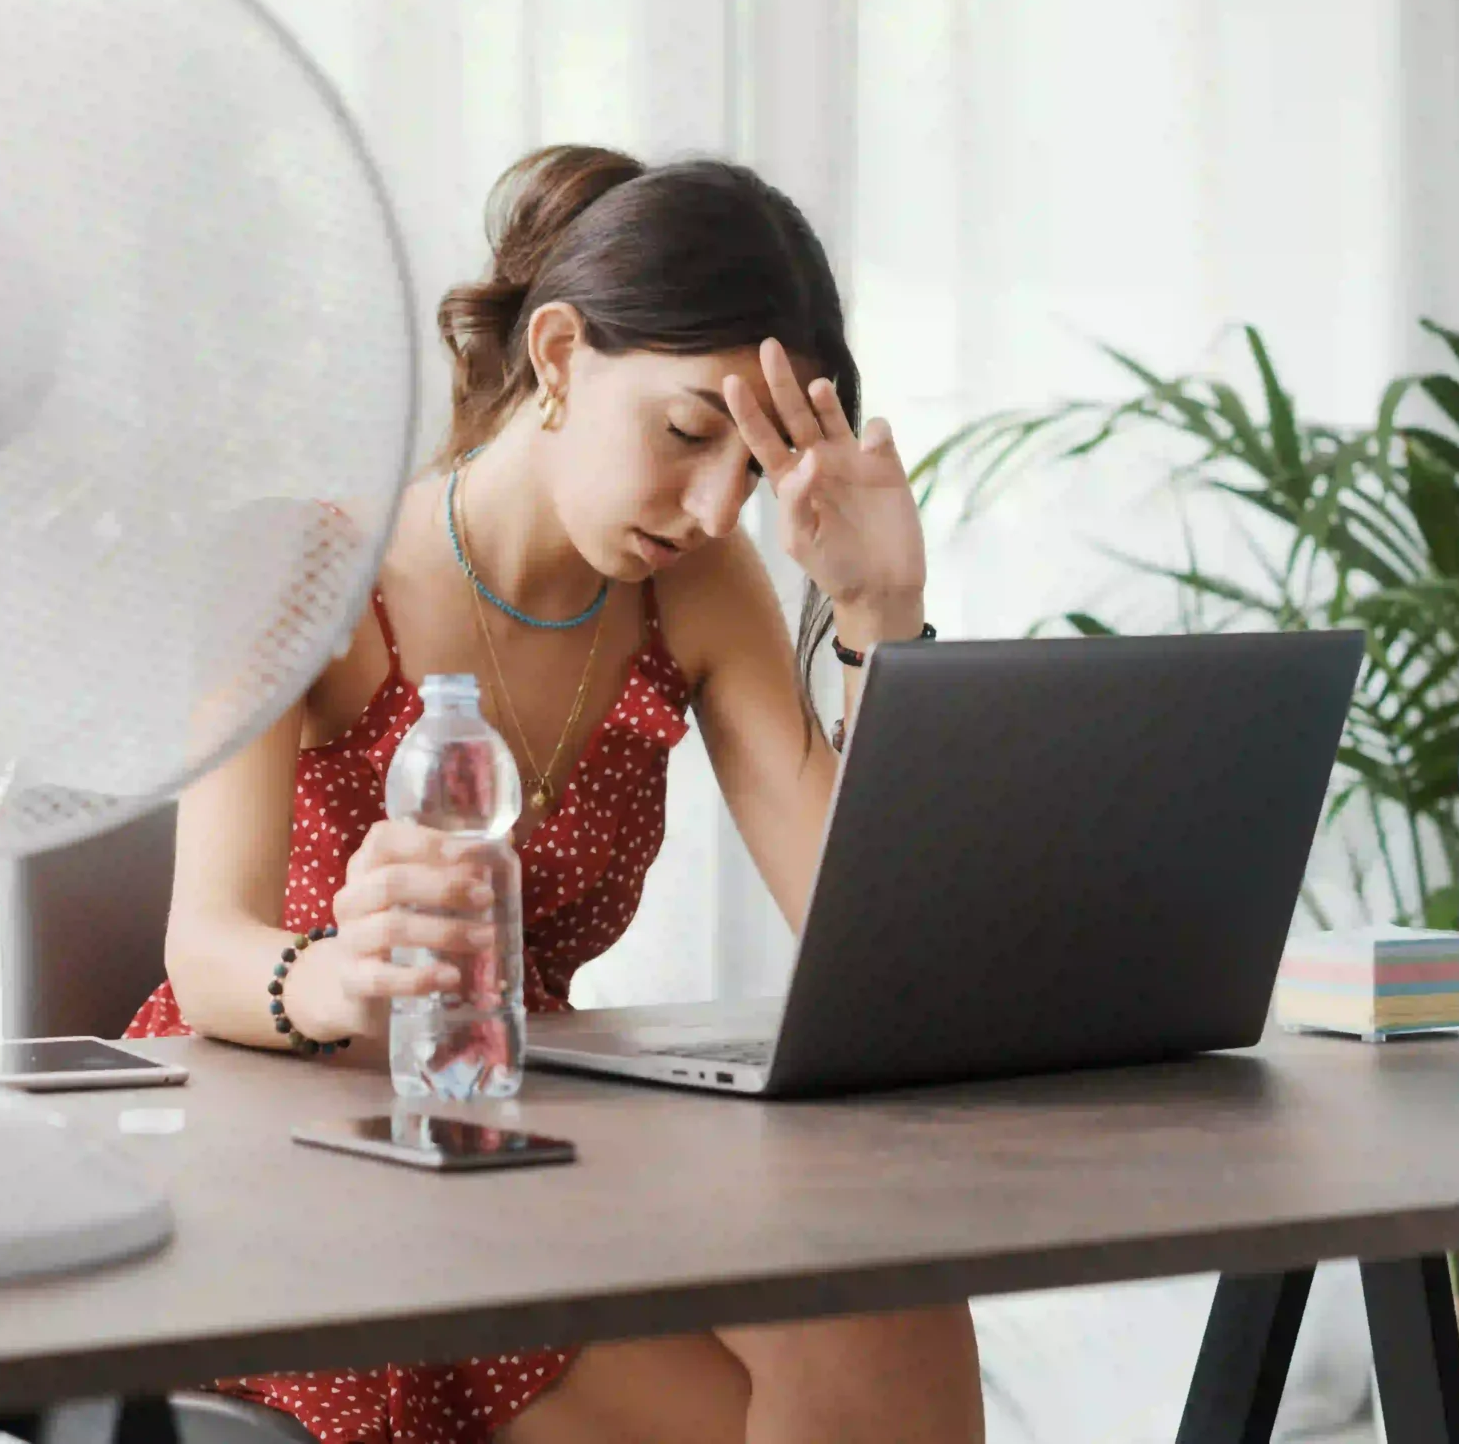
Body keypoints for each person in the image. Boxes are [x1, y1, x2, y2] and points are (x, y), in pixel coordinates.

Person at [127, 145, 984, 1444]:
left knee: (882, 1296)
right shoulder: (302, 565)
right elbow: (206, 948)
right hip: (291, 1145)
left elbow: (873, 938)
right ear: (563, 354)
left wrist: (879, 608)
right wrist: (347, 978)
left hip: (516, 1140)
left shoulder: (690, 589)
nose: (712, 507)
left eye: (750, 470)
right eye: (691, 432)